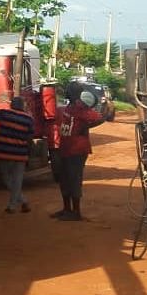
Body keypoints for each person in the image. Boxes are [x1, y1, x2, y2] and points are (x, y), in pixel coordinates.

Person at [53, 82, 105, 221]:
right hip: (65, 148)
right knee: (64, 180)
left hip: (77, 150)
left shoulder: (80, 107)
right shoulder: (69, 106)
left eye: (69, 90)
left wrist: (85, 127)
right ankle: (66, 209)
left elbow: (99, 118)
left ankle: (76, 212)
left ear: (74, 93)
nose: (67, 92)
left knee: (74, 180)